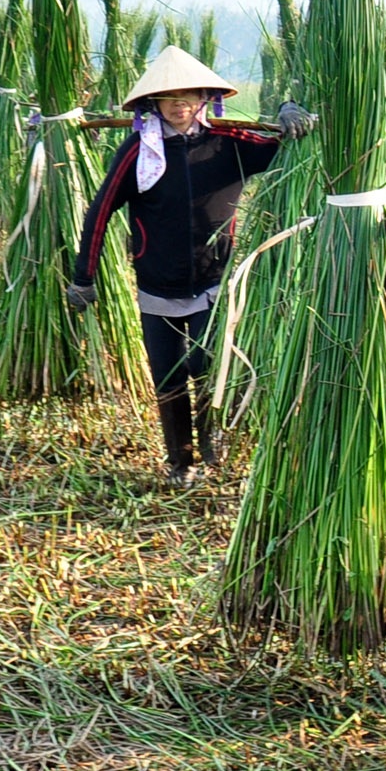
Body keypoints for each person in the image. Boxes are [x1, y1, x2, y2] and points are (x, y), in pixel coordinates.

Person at [66, 46, 313, 486]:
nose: (179, 105)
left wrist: (288, 111)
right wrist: (84, 276)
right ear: (153, 104)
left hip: (213, 282)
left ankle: (212, 443)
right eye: (169, 97)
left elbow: (288, 147)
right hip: (157, 284)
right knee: (168, 376)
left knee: (206, 363)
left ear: (204, 98)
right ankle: (181, 462)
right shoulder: (138, 153)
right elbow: (100, 211)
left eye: (189, 95)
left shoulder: (231, 142)